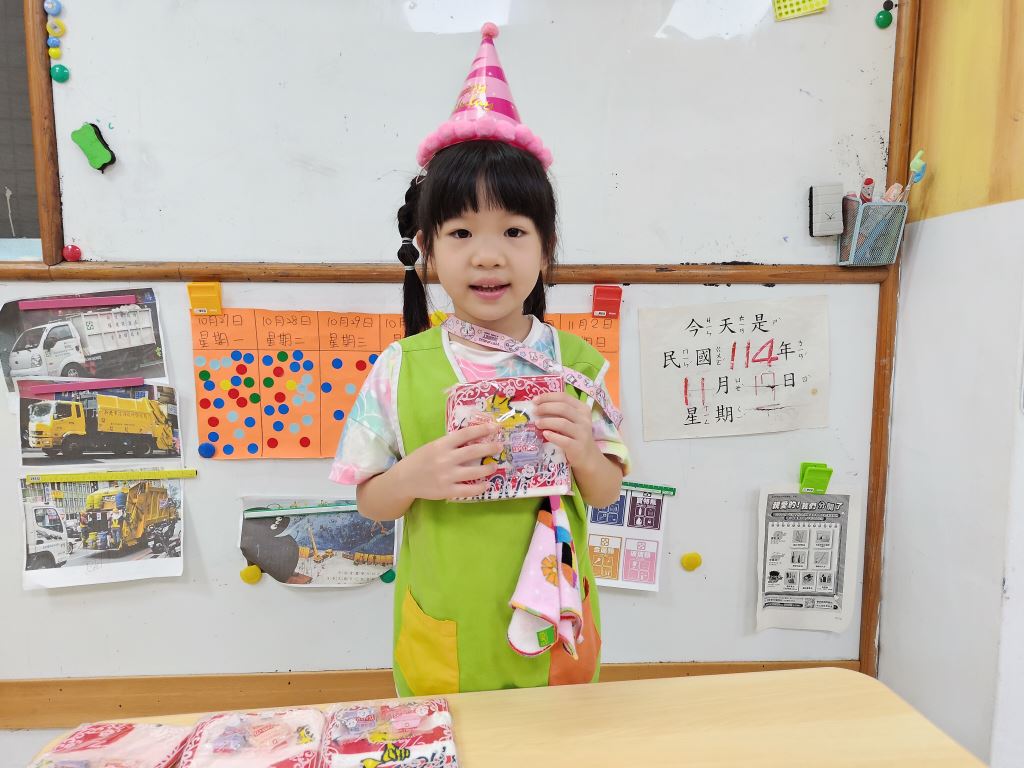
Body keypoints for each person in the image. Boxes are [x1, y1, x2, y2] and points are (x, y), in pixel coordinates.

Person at [331, 24, 629, 697]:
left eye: (513, 231)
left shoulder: (578, 364)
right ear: (428, 250)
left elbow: (606, 492)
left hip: (556, 633)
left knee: (556, 740)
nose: (488, 255)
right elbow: (372, 502)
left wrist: (584, 452)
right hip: (446, 632)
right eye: (461, 232)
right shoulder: (401, 367)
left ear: (546, 249)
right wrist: (414, 475)